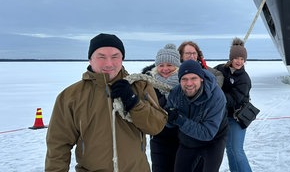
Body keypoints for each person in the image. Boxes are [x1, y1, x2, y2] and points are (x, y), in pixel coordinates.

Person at [45, 33, 167, 172]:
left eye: (115, 56)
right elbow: (58, 145)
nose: (109, 63)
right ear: (90, 59)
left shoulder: (140, 87)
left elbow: (156, 127)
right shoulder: (71, 96)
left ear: (122, 59)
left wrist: (133, 102)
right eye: (101, 57)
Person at [166, 60, 228, 172]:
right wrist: (169, 119)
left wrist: (180, 120)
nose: (189, 83)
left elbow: (208, 133)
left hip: (213, 140)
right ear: (179, 81)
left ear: (201, 78)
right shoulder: (175, 94)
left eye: (193, 78)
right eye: (184, 79)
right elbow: (169, 123)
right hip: (188, 139)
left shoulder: (217, 97)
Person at [215, 38, 253, 172]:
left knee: (236, 150)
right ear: (231, 58)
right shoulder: (221, 69)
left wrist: (215, 93)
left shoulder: (244, 79)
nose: (239, 61)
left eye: (242, 59)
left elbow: (232, 100)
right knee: (230, 150)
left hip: (237, 118)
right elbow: (209, 75)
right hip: (224, 117)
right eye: (236, 58)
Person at [146, 43, 181, 172]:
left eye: (169, 65)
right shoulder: (149, 84)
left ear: (177, 66)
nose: (165, 69)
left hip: (182, 138)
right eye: (161, 65)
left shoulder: (186, 82)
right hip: (159, 139)